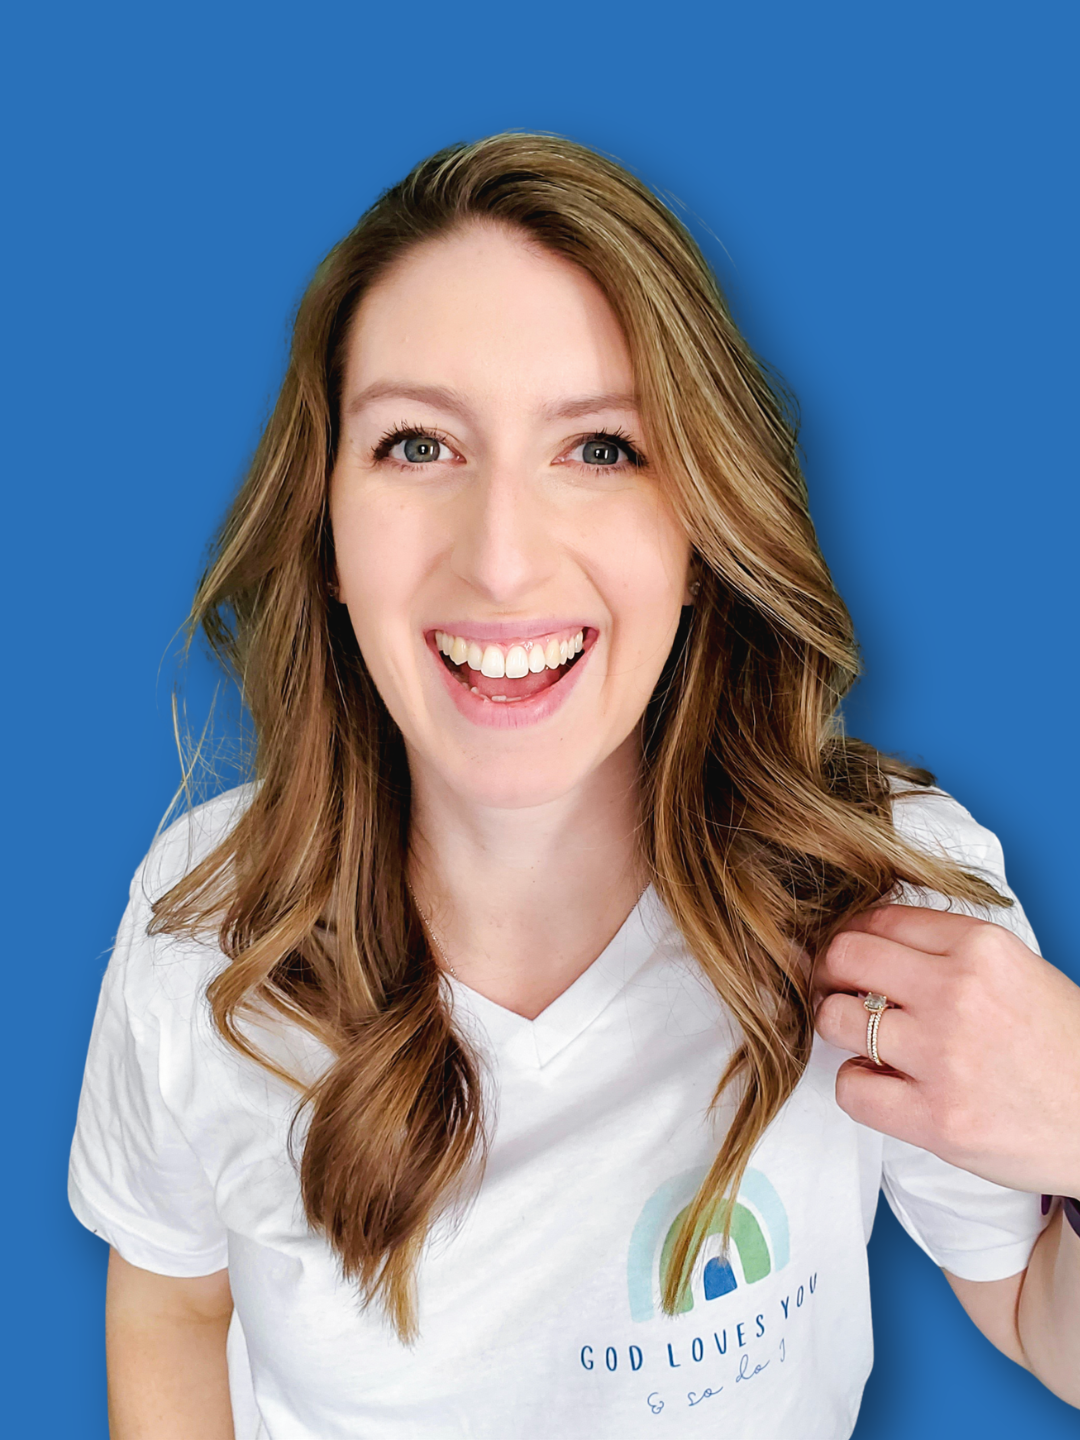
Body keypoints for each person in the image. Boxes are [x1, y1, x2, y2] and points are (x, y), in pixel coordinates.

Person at [69, 133, 1080, 1438]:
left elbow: (1038, 1315)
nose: (499, 559)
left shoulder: (880, 904)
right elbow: (170, 1303)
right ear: (325, 530)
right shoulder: (207, 931)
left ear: (702, 527)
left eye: (601, 448)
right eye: (418, 445)